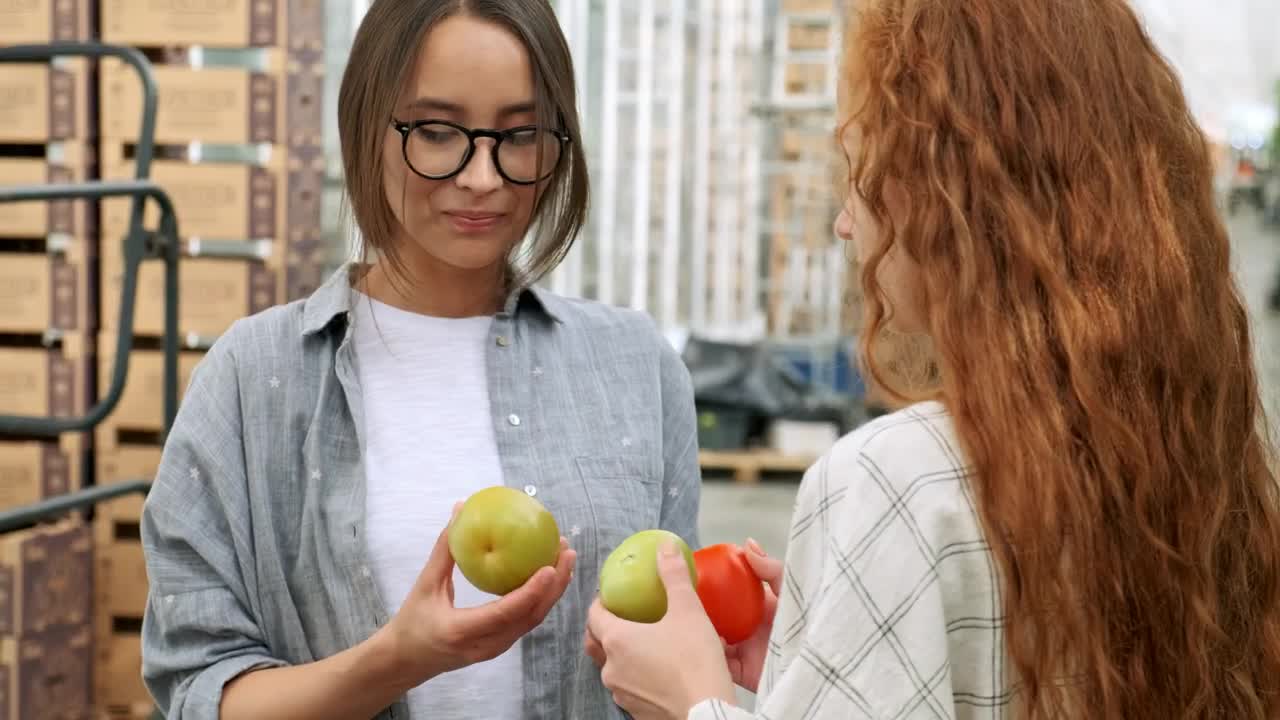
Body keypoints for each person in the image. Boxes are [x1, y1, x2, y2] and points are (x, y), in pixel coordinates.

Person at [584, 0, 1280, 718]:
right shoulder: (1178, 456)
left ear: (945, 203)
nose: (844, 223)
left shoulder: (897, 476)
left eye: (858, 175)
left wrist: (690, 699)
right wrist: (830, 654)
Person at [138, 2, 701, 719]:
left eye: (519, 134)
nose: (481, 175)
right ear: (367, 125)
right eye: (437, 132)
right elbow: (200, 689)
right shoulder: (254, 377)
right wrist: (396, 661)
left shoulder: (635, 367)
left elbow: (673, 651)